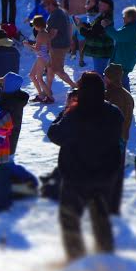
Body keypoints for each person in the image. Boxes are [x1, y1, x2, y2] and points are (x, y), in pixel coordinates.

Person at [47, 72, 124, 261]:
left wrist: (65, 111)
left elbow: (54, 134)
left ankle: (76, 259)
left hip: (76, 177)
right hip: (105, 175)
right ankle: (106, 257)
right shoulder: (114, 112)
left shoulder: (74, 115)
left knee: (70, 219)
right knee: (101, 218)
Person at [103, 64, 134, 215]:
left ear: (110, 78)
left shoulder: (111, 95)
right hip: (123, 136)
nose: (103, 77)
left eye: (105, 75)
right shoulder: (126, 94)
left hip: (112, 139)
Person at [102, 7, 136, 91]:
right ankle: (125, 101)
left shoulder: (131, 29)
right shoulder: (129, 27)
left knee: (121, 84)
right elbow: (118, 33)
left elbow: (117, 36)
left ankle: (126, 101)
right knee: (121, 82)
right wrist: (109, 26)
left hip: (123, 63)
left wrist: (107, 27)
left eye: (125, 16)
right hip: (123, 62)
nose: (123, 18)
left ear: (130, 18)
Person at [43, 0, 76, 94]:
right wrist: (70, 40)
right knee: (50, 68)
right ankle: (47, 90)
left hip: (58, 46)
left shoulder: (55, 15)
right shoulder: (62, 12)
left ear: (50, 4)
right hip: (62, 44)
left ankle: (75, 86)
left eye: (46, 6)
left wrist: (44, 41)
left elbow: (53, 33)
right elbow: (70, 27)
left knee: (57, 69)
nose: (45, 8)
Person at [78, 0, 116, 73]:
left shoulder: (106, 18)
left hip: (101, 51)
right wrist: (84, 24)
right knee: (100, 72)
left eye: (101, 5)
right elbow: (94, 27)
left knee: (99, 73)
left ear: (108, 6)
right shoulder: (102, 15)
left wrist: (81, 28)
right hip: (100, 50)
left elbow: (93, 33)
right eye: (99, 4)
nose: (99, 6)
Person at [25, 16, 53, 103]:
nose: (34, 27)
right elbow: (45, 47)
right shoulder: (45, 32)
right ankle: (41, 95)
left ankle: (50, 97)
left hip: (41, 57)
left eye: (34, 25)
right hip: (43, 56)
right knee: (32, 75)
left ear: (37, 25)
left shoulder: (40, 35)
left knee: (39, 78)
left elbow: (37, 49)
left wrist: (28, 45)